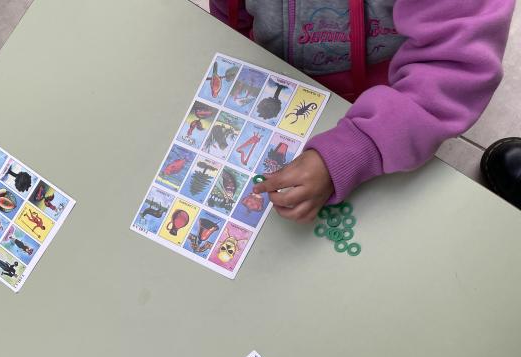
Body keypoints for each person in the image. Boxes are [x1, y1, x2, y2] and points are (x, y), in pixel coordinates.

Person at [209, 0, 515, 221]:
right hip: (271, 86)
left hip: (386, 110)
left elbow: (452, 72)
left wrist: (360, 147)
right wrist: (226, 40)